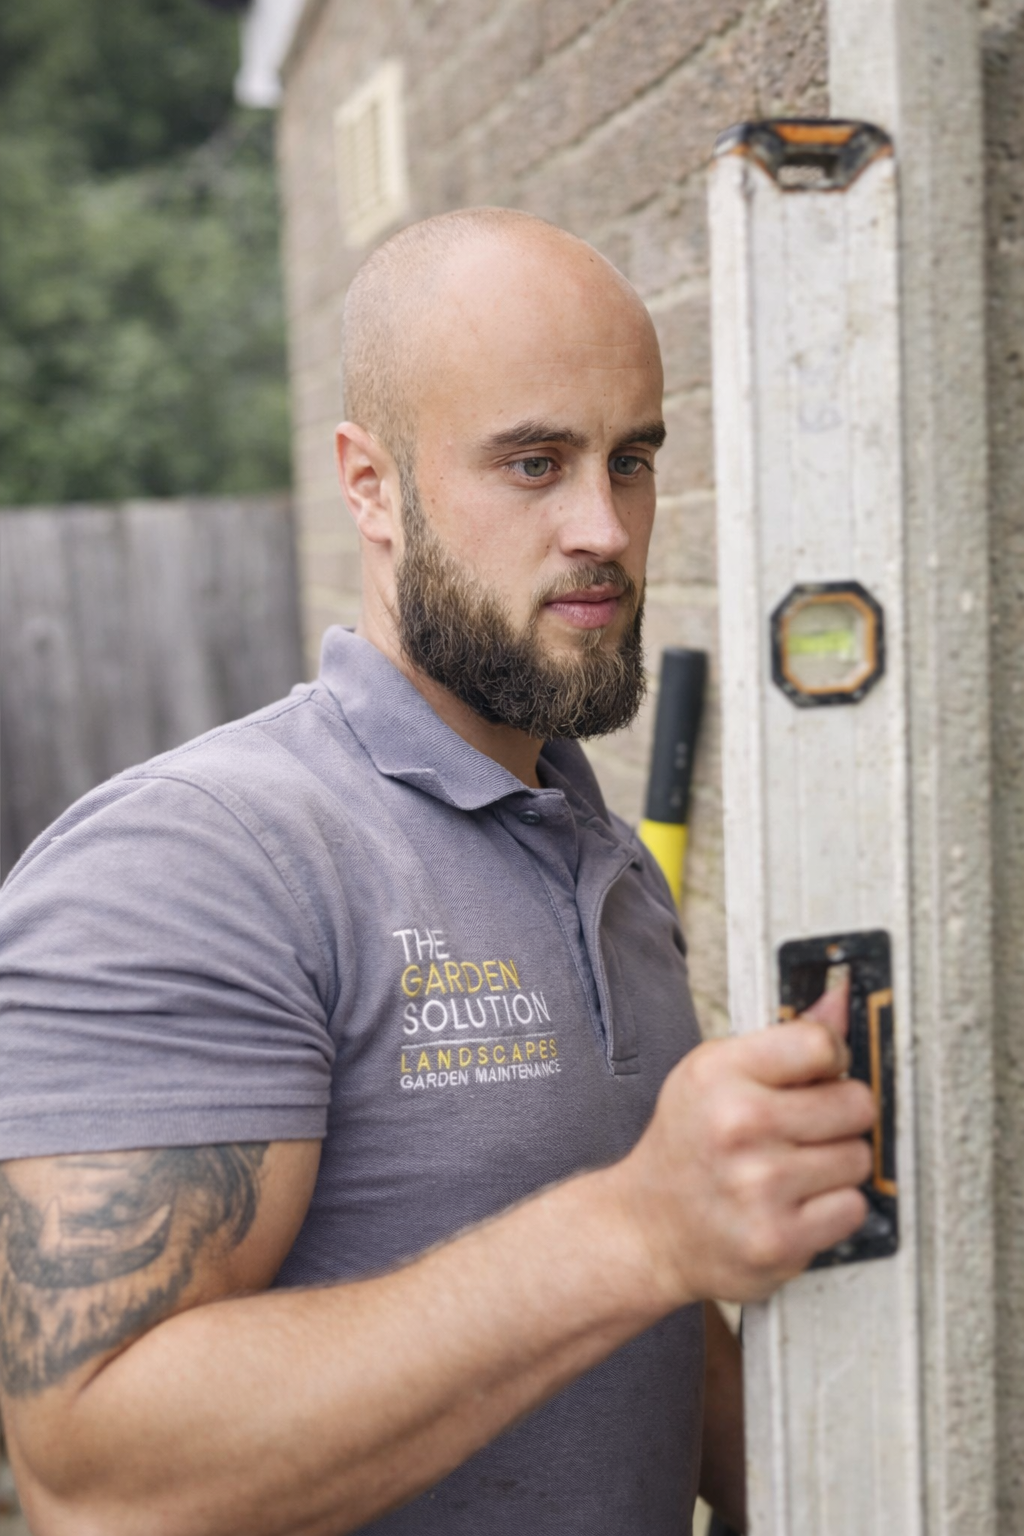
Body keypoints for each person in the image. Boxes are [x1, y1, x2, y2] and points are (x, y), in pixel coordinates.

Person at [0, 208, 875, 1536]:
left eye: (630, 459)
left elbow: (650, 1321)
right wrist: (634, 1228)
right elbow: (99, 1479)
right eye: (533, 463)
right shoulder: (195, 861)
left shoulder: (609, 858)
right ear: (370, 484)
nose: (605, 527)